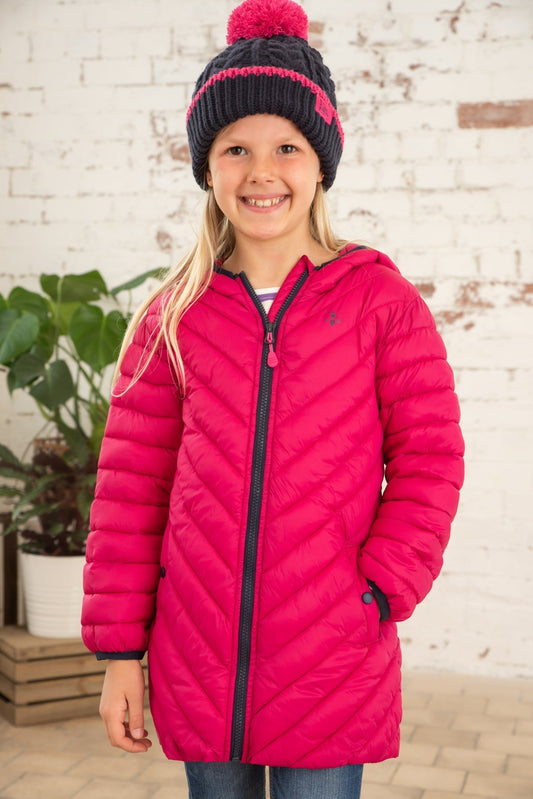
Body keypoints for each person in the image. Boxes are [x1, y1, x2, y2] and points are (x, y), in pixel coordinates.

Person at [81, 1, 465, 797]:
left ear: (320, 162)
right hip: (198, 656)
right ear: (206, 165)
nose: (262, 171)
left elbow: (430, 456)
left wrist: (379, 587)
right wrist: (123, 654)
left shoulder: (377, 302)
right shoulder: (172, 317)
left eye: (287, 147)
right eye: (235, 148)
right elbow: (130, 492)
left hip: (331, 651)